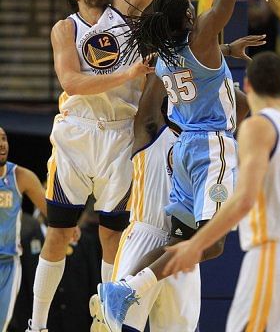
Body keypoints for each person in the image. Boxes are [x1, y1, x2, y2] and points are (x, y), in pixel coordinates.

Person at [26, 0, 213, 332]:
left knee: (114, 236)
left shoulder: (125, 11)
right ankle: (37, 324)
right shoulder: (65, 29)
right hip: (77, 131)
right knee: (59, 233)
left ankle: (106, 320)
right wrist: (131, 70)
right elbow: (71, 82)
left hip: (120, 136)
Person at [95, 0, 254, 331]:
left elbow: (188, 49)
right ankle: (132, 286)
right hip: (210, 147)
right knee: (216, 241)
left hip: (183, 155)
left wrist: (185, 9)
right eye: (191, 10)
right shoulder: (202, 39)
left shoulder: (164, 57)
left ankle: (130, 286)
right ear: (190, 19)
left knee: (186, 238)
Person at [90, 26, 264, 332]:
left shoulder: (207, 143)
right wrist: (174, 45)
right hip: (144, 237)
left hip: (183, 243)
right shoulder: (151, 131)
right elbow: (157, 80)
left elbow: (243, 105)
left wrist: (213, 62)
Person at [163, 52, 280, 332]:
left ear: (247, 85)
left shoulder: (257, 126)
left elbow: (244, 200)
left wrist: (195, 244)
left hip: (274, 252)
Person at [0, 127, 46, 332]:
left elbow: (51, 213)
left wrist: (69, 227)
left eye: (4, 138)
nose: (2, 144)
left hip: (8, 263)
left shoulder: (20, 176)